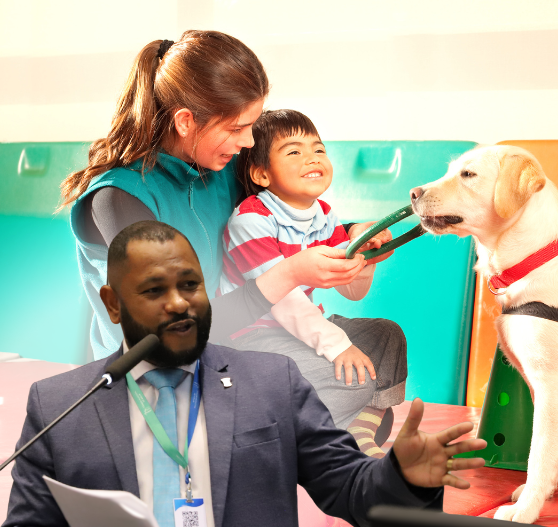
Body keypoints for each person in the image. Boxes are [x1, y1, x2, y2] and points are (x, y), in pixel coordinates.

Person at [0, 221, 486, 527]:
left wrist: (401, 475)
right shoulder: (60, 403)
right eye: (153, 291)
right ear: (112, 303)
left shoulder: (272, 381)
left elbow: (350, 489)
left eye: (191, 285)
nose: (179, 304)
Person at [58, 31, 379, 363]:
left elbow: (280, 220)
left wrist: (353, 235)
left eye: (252, 125)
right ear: (185, 121)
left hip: (230, 346)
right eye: (237, 129)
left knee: (380, 343)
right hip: (163, 368)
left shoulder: (224, 166)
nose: (250, 142)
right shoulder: (118, 200)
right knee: (336, 373)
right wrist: (290, 274)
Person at [219, 109, 403, 457]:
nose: (312, 158)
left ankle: (360, 428)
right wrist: (338, 346)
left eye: (318, 149)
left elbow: (351, 290)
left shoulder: (324, 214)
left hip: (301, 331)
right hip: (253, 339)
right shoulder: (250, 221)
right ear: (261, 174)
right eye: (294, 151)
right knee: (353, 375)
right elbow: (284, 301)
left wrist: (365, 258)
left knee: (386, 335)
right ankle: (296, 438)